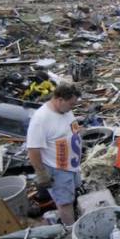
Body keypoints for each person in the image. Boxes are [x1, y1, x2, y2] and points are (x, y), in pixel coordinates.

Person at [27, 83, 82, 226]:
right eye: (71, 104)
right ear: (59, 99)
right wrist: (41, 173)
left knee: (72, 195)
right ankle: (71, 231)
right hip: (58, 169)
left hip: (72, 166)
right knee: (65, 203)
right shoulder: (41, 119)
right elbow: (33, 149)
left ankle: (75, 217)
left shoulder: (65, 110)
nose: (72, 107)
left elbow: (69, 129)